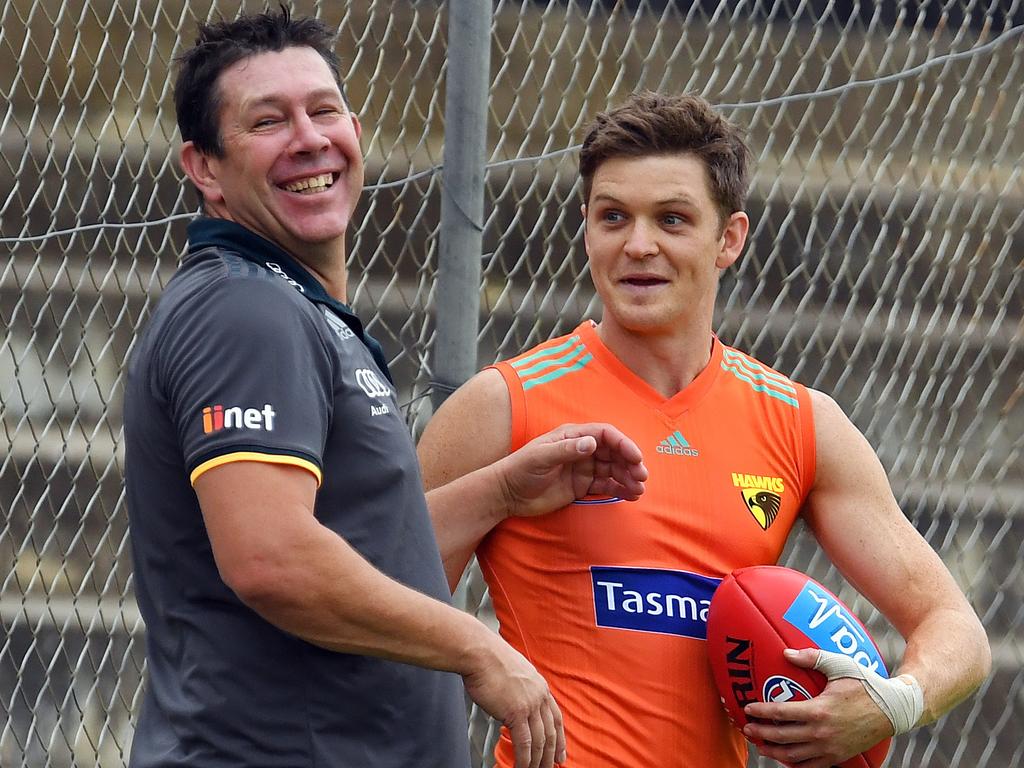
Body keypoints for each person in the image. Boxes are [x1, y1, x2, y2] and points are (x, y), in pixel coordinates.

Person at [123, 9, 648, 768]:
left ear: (356, 129)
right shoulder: (248, 308)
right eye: (267, 121)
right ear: (204, 168)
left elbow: (352, 557)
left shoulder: (294, 305)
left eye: (323, 110)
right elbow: (273, 559)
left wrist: (497, 493)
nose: (308, 137)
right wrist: (477, 649)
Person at [417, 91, 992, 768]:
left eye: (672, 219)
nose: (638, 244)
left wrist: (893, 702)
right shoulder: (505, 404)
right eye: (612, 217)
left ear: (729, 239)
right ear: (586, 229)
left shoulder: (800, 421)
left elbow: (957, 632)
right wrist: (496, 523)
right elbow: (374, 594)